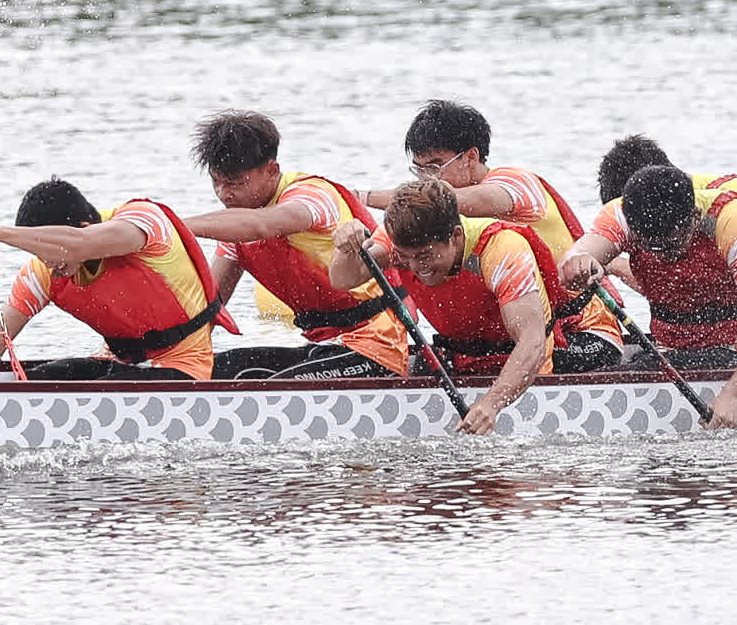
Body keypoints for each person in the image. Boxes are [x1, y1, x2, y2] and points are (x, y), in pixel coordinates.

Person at [559, 139, 737, 428]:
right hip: (681, 347)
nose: (662, 256)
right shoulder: (622, 214)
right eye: (651, 247)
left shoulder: (734, 222)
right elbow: (575, 258)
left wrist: (733, 394)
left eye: (671, 244)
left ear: (694, 217)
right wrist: (579, 264)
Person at [334, 177, 621, 432]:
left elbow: (532, 343)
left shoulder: (501, 249)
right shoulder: (402, 242)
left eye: (423, 256)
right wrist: (346, 249)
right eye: (404, 258)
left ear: (456, 237)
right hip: (471, 353)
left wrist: (491, 405)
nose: (413, 266)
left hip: (549, 350)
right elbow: (342, 279)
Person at [366, 98, 623, 351]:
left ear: (470, 157)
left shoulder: (516, 182)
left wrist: (362, 197)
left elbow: (468, 200)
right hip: (514, 333)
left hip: (583, 327)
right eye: (419, 170)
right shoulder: (437, 213)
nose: (426, 179)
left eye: (434, 167)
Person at [176, 111, 415, 380]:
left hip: (380, 344)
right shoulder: (235, 224)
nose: (223, 194)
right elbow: (210, 310)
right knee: (212, 369)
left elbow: (261, 225)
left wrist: (170, 225)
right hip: (326, 346)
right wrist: (167, 361)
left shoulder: (312, 196)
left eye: (235, 183)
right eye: (216, 182)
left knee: (272, 386)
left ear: (272, 170)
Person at [0, 178, 225, 380]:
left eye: (49, 251)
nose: (47, 262)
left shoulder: (144, 221)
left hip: (184, 367)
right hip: (117, 364)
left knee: (108, 386)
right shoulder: (43, 272)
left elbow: (80, 244)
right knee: (32, 380)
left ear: (84, 227)